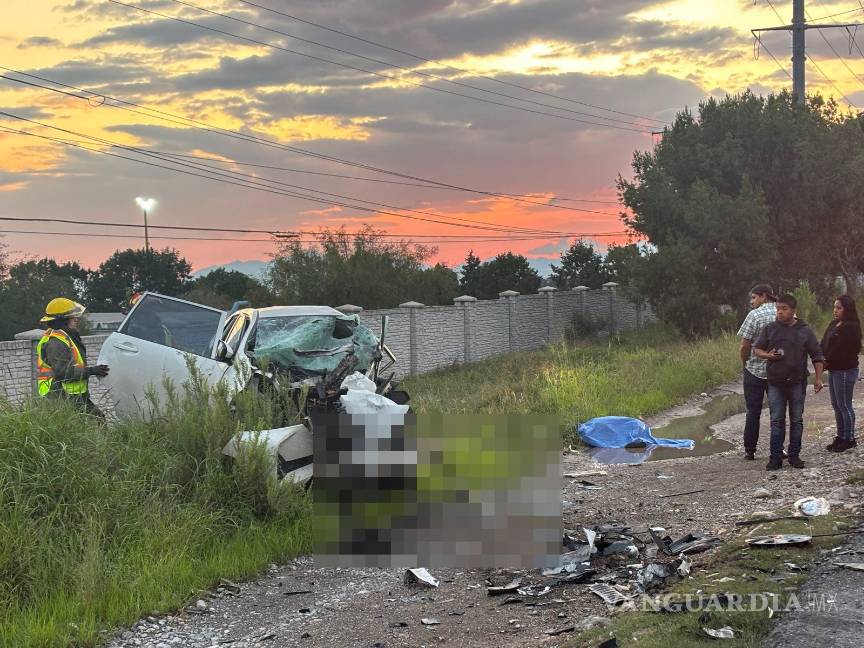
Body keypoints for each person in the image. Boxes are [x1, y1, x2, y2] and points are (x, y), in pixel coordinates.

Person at [754, 294, 824, 471]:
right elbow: (757, 349)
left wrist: (818, 378)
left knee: (796, 420)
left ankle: (794, 456)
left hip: (797, 382)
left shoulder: (804, 330)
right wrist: (769, 355)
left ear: (793, 311)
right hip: (775, 382)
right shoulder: (770, 328)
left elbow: (817, 355)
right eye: (778, 309)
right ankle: (775, 458)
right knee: (776, 420)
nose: (780, 312)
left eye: (784, 309)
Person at [36, 298, 110, 415]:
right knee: (96, 421)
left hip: (73, 397)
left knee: (98, 420)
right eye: (72, 317)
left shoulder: (66, 337)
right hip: (60, 398)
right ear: (62, 320)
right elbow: (64, 373)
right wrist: (91, 371)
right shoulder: (55, 343)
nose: (76, 319)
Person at [737, 283, 778, 459]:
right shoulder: (784, 312)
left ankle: (750, 450)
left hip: (754, 370)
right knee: (777, 412)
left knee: (753, 411)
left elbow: (744, 346)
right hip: (778, 370)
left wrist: (744, 362)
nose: (752, 302)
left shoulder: (754, 316)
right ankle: (778, 448)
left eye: (754, 297)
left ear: (764, 297)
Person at [821, 295, 862, 453]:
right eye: (834, 307)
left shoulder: (851, 327)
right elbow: (825, 342)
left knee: (845, 405)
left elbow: (843, 350)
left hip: (845, 370)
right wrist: (820, 357)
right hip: (833, 369)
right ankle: (840, 435)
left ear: (847, 309)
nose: (835, 310)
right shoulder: (834, 324)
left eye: (839, 307)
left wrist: (827, 361)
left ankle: (849, 438)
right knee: (836, 404)